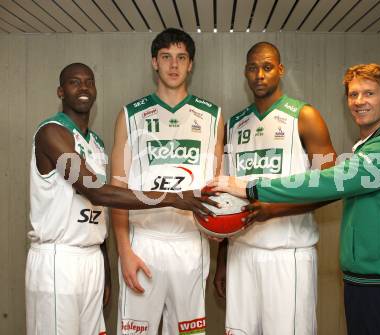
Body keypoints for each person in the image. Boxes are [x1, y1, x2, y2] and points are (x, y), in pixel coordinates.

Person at [210, 63, 380, 335]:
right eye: (353, 95)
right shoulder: (370, 149)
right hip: (366, 282)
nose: (359, 102)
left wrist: (250, 187)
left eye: (369, 94)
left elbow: (323, 180)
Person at [26, 62, 216, 335]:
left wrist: (104, 268)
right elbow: (95, 191)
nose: (83, 88)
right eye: (74, 82)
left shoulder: (96, 144)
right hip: (58, 259)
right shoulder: (52, 133)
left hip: (90, 257)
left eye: (88, 82)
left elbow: (97, 209)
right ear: (60, 91)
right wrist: (172, 198)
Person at [214, 42, 336, 335]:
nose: (260, 75)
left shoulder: (304, 116)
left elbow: (331, 185)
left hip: (287, 252)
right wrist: (222, 259)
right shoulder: (232, 125)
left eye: (267, 67)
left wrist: (274, 210)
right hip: (241, 251)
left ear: (280, 70)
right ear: (245, 72)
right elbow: (226, 195)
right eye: (253, 68)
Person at [111, 29, 224, 335]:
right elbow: (117, 190)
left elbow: (216, 186)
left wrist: (217, 225)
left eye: (181, 58)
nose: (173, 65)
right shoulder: (129, 115)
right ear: (154, 63)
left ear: (191, 64)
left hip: (191, 242)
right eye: (166, 57)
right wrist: (124, 251)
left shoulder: (213, 116)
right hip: (143, 243)